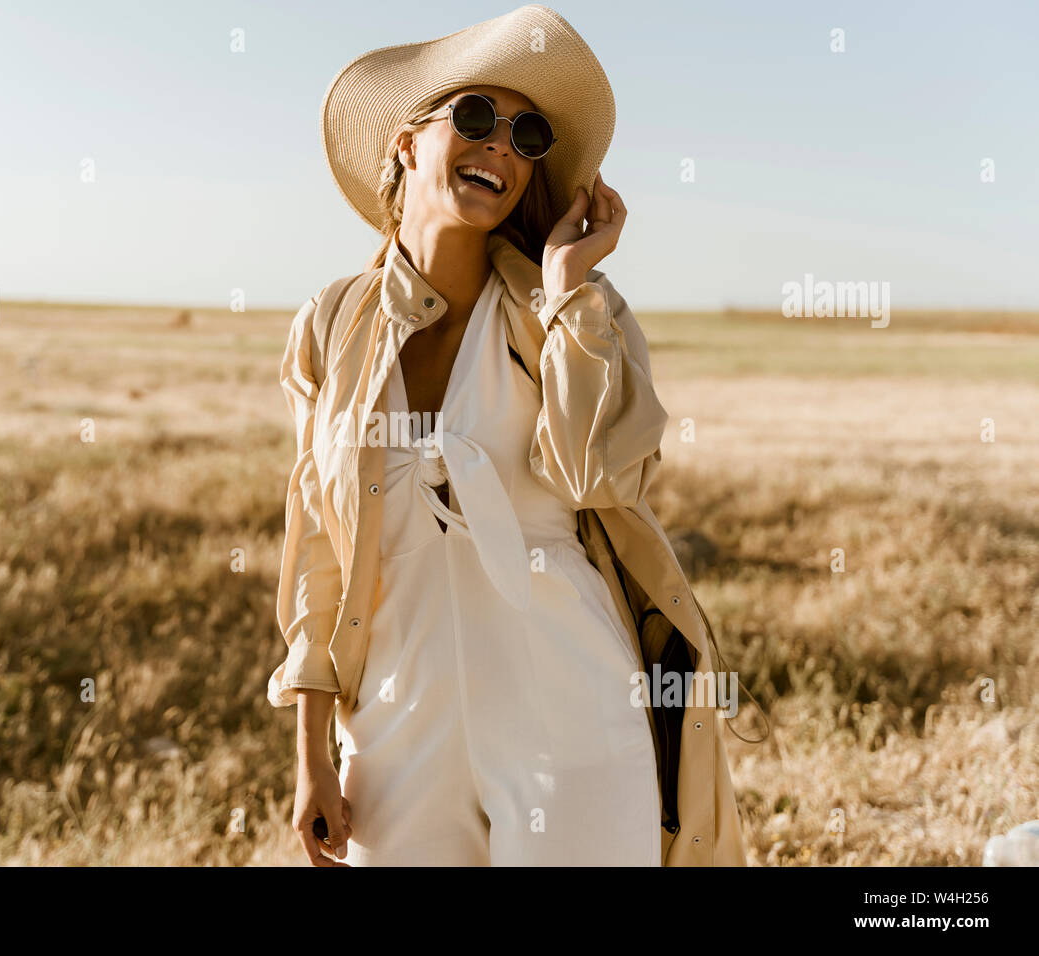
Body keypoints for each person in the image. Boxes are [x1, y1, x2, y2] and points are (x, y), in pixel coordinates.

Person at [269, 4, 747, 867]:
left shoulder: (571, 313)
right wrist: (311, 754)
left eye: (527, 137)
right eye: (478, 118)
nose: (502, 147)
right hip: (395, 714)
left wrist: (569, 293)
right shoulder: (330, 324)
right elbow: (317, 549)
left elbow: (598, 477)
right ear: (407, 145)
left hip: (567, 700)